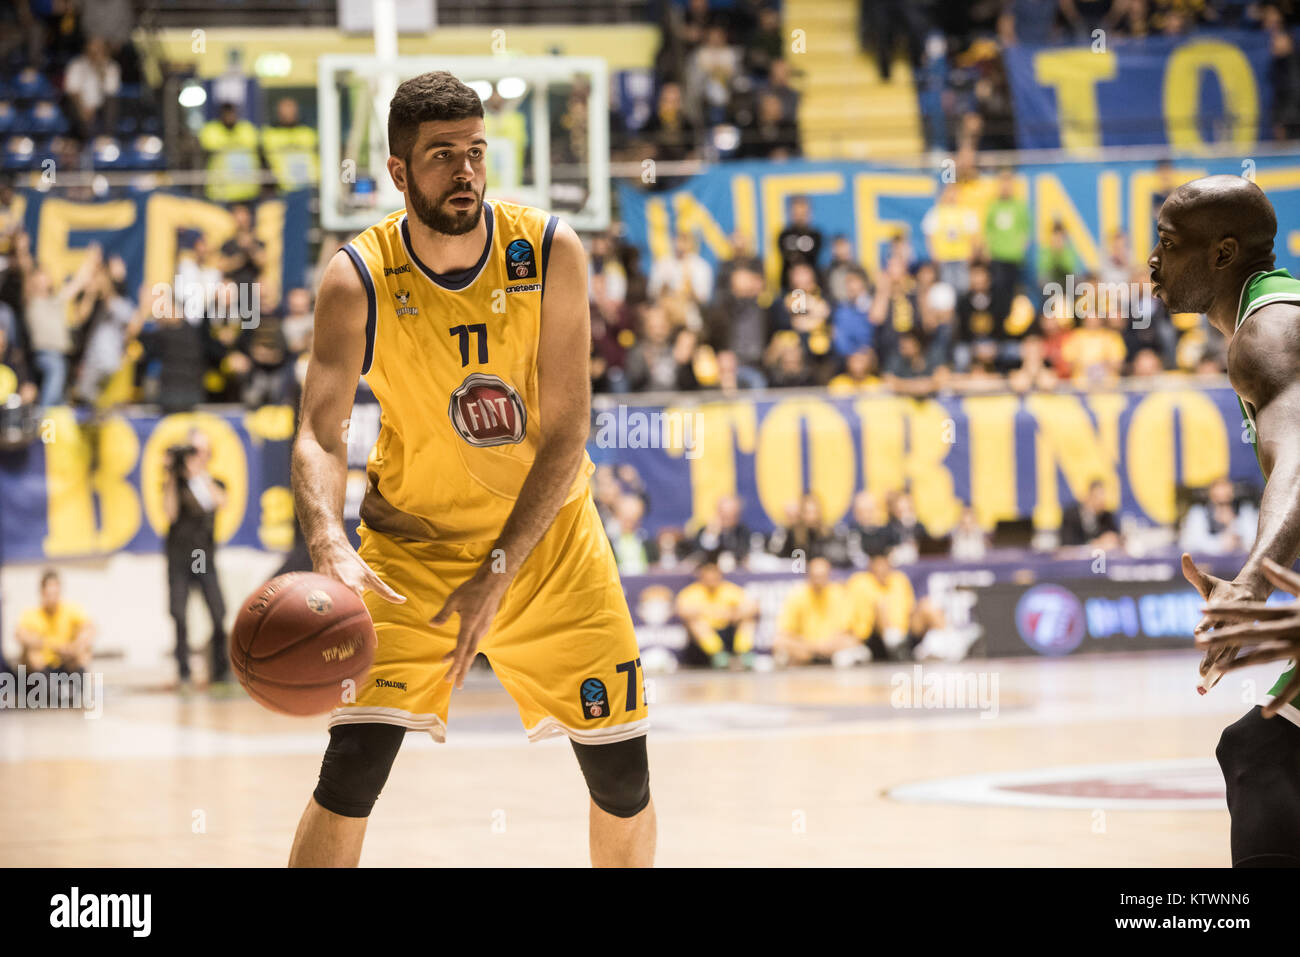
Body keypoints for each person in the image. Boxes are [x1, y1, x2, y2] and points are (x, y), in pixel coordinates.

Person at [288, 72, 653, 868]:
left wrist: (498, 568)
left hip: (550, 548)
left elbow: (566, 434)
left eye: (476, 151)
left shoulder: (551, 250)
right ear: (397, 171)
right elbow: (321, 432)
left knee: (623, 776)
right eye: (442, 154)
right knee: (350, 772)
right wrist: (325, 538)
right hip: (412, 554)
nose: (465, 171)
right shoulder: (358, 277)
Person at [1140, 175, 1300, 867]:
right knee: (1262, 752)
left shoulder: (1265, 333)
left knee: (1259, 753)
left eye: (1169, 245)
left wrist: (1252, 584)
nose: (1152, 260)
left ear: (1223, 253)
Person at [164, 428, 230, 688]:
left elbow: (220, 502)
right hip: (179, 555)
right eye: (192, 451)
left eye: (200, 451)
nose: (195, 456)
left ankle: (219, 670)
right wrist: (172, 474)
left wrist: (199, 474)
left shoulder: (213, 481)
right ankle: (183, 671)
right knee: (179, 613)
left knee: (217, 611)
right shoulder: (176, 485)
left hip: (202, 554)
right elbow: (169, 513)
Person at [772, 557, 862, 667]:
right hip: (805, 646)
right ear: (808, 576)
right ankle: (814, 658)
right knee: (779, 642)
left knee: (852, 641)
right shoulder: (797, 595)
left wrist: (825, 645)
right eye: (816, 577)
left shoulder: (839, 593)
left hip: (831, 645)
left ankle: (815, 658)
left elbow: (845, 629)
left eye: (822, 576)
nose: (819, 581)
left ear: (829, 575)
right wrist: (813, 646)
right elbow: (785, 631)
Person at [674, 562, 759, 669]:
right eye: (708, 577)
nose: (711, 580)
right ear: (702, 577)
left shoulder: (729, 589)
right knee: (696, 623)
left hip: (728, 630)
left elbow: (752, 607)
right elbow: (682, 611)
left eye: (714, 577)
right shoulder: (692, 592)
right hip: (706, 633)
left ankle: (744, 653)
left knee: (748, 621)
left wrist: (735, 613)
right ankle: (718, 655)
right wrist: (709, 613)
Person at [14, 570, 94, 674]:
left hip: (67, 660)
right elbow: (21, 634)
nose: (52, 598)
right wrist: (50, 645)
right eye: (49, 594)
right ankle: (42, 685)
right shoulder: (31, 614)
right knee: (32, 653)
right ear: (42, 592)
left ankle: (77, 682)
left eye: (55, 593)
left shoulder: (70, 610)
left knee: (85, 649)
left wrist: (75, 646)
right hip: (43, 663)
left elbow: (89, 628)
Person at [1059, 478, 1121, 550]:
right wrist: (1093, 544)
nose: (1102, 501)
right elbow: (1066, 543)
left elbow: (1115, 536)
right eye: (1098, 497)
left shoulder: (1107, 516)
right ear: (1089, 496)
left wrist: (1113, 539)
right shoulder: (1071, 515)